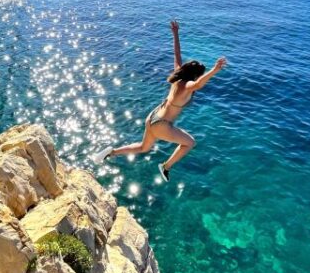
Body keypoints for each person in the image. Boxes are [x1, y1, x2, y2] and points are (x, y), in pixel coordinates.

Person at [94, 20, 226, 181]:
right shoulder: (188, 85)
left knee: (144, 147)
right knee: (190, 143)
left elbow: (177, 54)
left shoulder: (178, 76)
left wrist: (175, 33)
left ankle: (111, 152)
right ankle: (166, 166)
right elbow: (199, 83)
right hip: (162, 124)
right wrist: (215, 70)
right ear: (195, 75)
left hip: (153, 117)